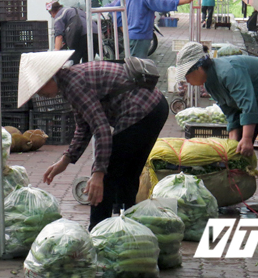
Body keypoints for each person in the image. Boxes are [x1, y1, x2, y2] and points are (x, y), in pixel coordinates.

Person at [17, 50, 168, 229]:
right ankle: (127, 227)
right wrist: (65, 160)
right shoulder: (69, 81)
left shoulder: (74, 85)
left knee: (106, 176)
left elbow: (101, 129)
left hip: (143, 111)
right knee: (126, 175)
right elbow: (84, 126)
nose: (40, 95)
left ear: (49, 78)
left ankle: (98, 232)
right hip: (155, 108)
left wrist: (98, 173)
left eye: (39, 89)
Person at [175, 42, 258, 212]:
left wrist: (248, 138)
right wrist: (234, 141)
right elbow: (230, 111)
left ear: (198, 68)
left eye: (187, 75)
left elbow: (247, 105)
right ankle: (235, 191)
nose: (186, 81)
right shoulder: (210, 83)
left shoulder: (228, 72)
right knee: (237, 148)